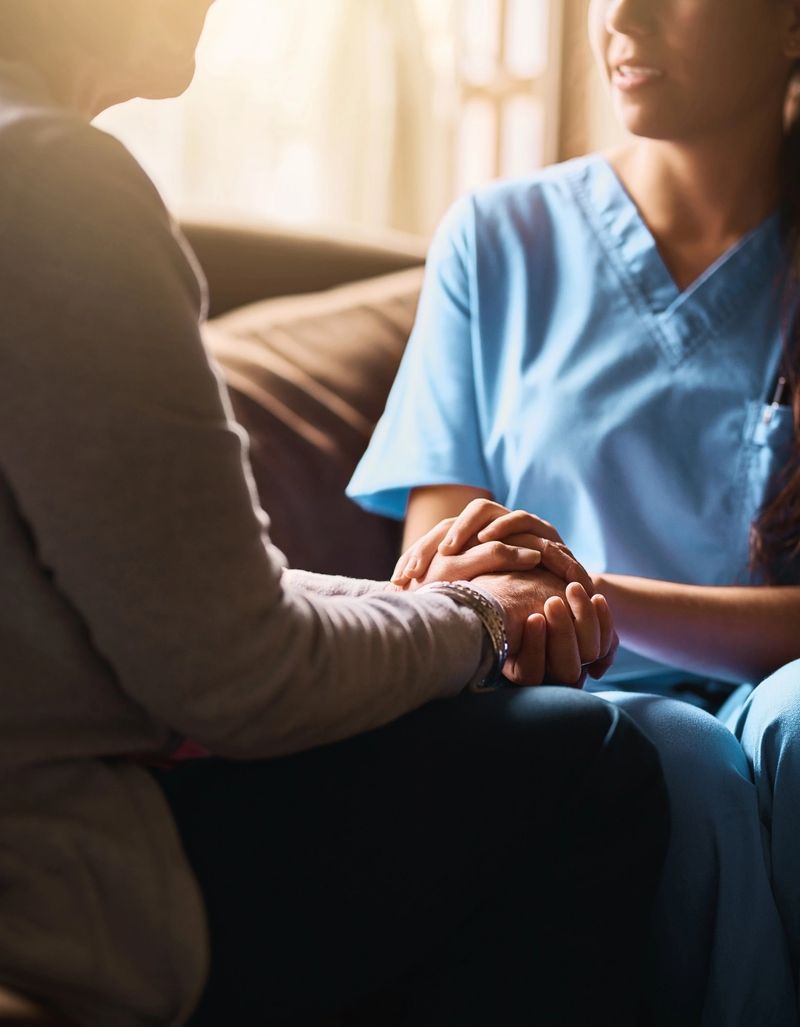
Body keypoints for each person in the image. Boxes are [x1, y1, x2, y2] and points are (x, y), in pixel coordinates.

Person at [0, 2, 671, 1026]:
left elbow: (173, 596)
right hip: (55, 876)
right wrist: (481, 614)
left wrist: (438, 601)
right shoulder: (53, 183)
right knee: (590, 756)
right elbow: (240, 675)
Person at [348, 0, 800, 1024]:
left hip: (773, 687)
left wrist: (590, 594)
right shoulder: (497, 241)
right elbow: (443, 562)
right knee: (663, 754)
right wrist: (525, 611)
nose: (622, 16)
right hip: (562, 693)